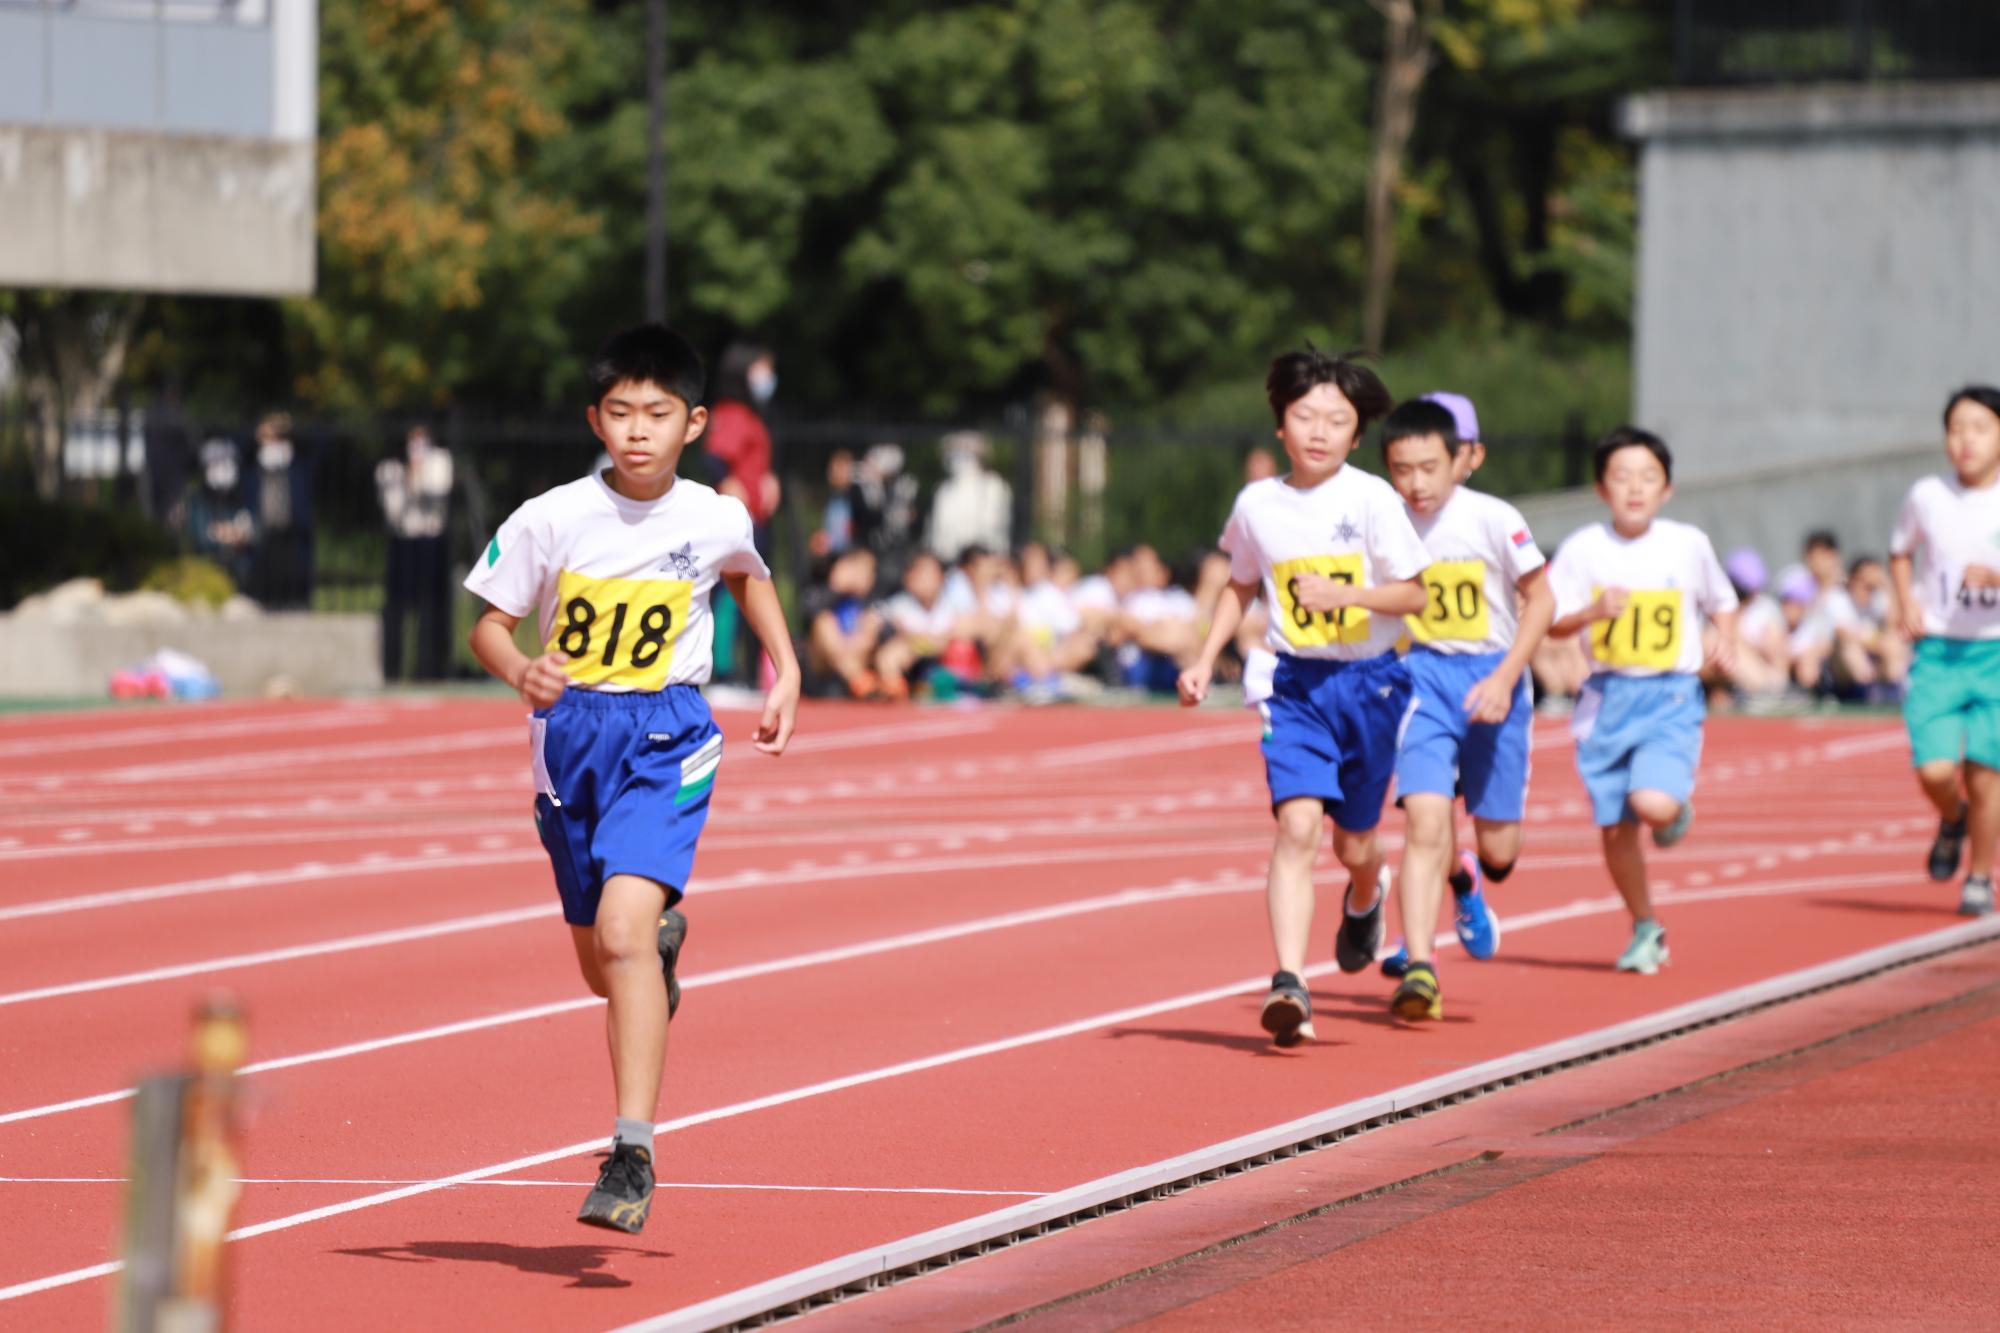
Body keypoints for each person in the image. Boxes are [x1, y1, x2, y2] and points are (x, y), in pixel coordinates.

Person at [463, 323, 801, 1233]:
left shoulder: (714, 515)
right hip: (570, 739)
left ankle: (632, 1149)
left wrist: (787, 667)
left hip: (667, 729)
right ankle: (654, 956)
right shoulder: (551, 516)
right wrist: (520, 668)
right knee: (602, 963)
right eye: (621, 413)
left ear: (693, 423)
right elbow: (488, 623)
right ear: (595, 419)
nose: (638, 431)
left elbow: (746, 576)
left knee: (620, 929)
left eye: (657, 414)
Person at [1178, 347, 1429, 1046]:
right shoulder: (1257, 504)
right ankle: (1289, 979)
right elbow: (1241, 583)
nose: (1320, 431)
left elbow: (1415, 592)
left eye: (1337, 420)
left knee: (1354, 842)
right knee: (1296, 829)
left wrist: (1348, 592)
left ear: (1356, 434)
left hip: (1371, 684)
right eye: (1305, 416)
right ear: (1280, 424)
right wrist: (1204, 659)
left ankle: (1366, 891)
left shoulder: (1373, 497)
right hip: (1295, 684)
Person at [1373, 399, 1554, 1021]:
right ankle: (1420, 967)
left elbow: (1543, 599)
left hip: (1492, 676)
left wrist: (1507, 676)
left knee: (1500, 847)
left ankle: (1469, 876)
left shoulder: (1493, 519)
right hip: (1421, 678)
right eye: (1402, 469)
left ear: (1461, 462)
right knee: (1424, 819)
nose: (1416, 483)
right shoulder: (1385, 521)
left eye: (1429, 467)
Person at [1546, 427, 1739, 974]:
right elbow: (1553, 622)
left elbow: (1722, 602)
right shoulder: (1584, 549)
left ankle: (1673, 808)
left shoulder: (1687, 543)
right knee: (1614, 827)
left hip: (1669, 695)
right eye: (1622, 477)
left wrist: (1724, 638)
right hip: (1606, 699)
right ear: (1601, 488)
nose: (1635, 488)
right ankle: (1645, 926)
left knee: (1652, 805)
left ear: (1667, 489)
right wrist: (1590, 612)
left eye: (1648, 477)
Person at [1888, 385, 2000, 916]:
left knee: (1985, 773)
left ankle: (1979, 876)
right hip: (1938, 652)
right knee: (1934, 769)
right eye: (1957, 429)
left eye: (1979, 428)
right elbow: (1899, 551)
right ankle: (1950, 817)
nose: (1966, 441)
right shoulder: (1927, 495)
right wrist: (1905, 598)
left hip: (1996, 653)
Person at [703, 343, 781, 685]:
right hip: (740, 519)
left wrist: (768, 480)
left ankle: (743, 670)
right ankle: (722, 671)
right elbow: (715, 458)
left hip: (756, 516)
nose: (767, 377)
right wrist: (728, 482)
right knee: (732, 594)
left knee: (749, 594)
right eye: (762, 369)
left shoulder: (751, 416)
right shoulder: (732, 413)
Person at [376, 424, 455, 681]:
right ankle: (393, 668)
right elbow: (394, 510)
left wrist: (420, 473)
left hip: (431, 539)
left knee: (431, 606)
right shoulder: (389, 468)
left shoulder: (440, 460)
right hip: (404, 540)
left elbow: (438, 490)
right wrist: (409, 476)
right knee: (397, 607)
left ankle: (431, 667)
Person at [802, 546, 892, 699]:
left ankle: (859, 679)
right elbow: (809, 613)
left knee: (871, 623)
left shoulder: (870, 600)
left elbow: (885, 629)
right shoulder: (821, 593)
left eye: (867, 571)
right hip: (822, 668)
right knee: (824, 623)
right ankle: (858, 679)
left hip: (856, 659)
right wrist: (836, 588)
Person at [927, 431, 1013, 562]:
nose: (958, 459)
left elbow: (995, 528)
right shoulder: (943, 489)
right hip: (946, 559)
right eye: (954, 453)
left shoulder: (993, 486)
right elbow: (936, 529)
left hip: (983, 560)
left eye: (966, 454)